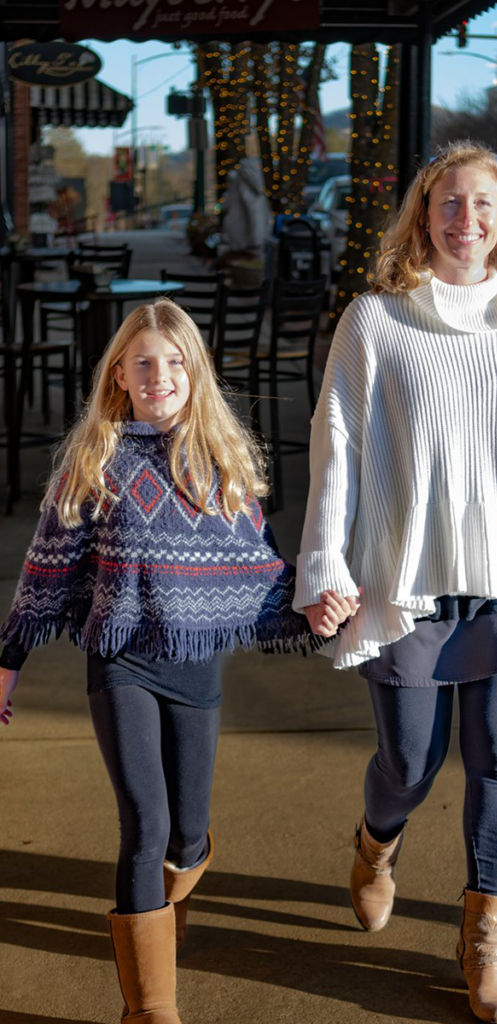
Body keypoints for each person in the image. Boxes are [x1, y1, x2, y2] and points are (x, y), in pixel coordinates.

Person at [292, 141, 497, 1024]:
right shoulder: (375, 318)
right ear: (422, 216)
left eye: (483, 204)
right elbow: (341, 451)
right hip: (408, 576)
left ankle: (485, 950)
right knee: (409, 761)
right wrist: (324, 564)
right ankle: (375, 845)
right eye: (448, 202)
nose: (466, 219)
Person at [0, 299, 314, 1024]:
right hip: (120, 663)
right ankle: (150, 1010)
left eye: (175, 362)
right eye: (144, 361)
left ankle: (174, 897)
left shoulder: (219, 463)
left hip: (194, 667)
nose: (160, 374)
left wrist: (315, 608)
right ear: (119, 373)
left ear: (195, 372)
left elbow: (259, 570)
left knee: (186, 833)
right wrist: (9, 657)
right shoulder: (94, 459)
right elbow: (46, 567)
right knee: (144, 822)